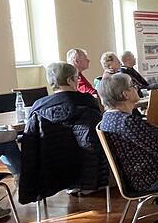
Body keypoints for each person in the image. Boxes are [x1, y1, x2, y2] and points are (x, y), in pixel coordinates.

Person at [96, 73, 158, 223]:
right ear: (125, 94)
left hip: (137, 176)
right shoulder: (128, 123)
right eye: (133, 86)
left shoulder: (107, 119)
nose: (136, 88)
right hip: (150, 178)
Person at [18, 62, 105, 203]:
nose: (77, 81)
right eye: (76, 78)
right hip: (88, 167)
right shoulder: (88, 103)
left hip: (49, 169)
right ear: (70, 80)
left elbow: (31, 148)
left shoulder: (38, 107)